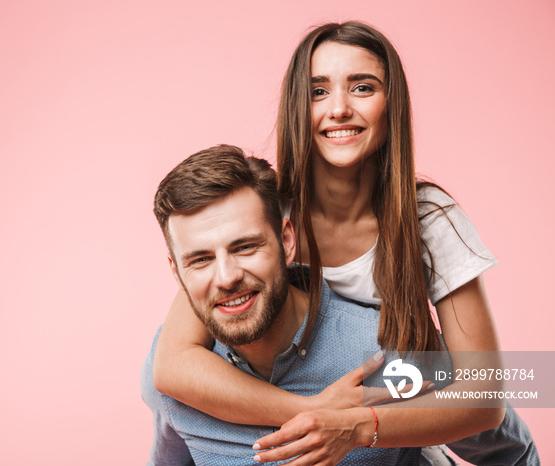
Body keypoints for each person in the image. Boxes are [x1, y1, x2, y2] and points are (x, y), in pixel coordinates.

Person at [152, 22, 538, 465]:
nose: (338, 109)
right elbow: (171, 364)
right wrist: (317, 411)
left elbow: (485, 394)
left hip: (407, 385)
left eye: (362, 87)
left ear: (391, 105)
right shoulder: (269, 211)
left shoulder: (427, 217)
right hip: (326, 383)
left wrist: (360, 423)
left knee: (514, 392)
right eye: (318, 91)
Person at [143, 145, 433, 464]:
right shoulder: (169, 371)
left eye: (245, 247)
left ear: (286, 242)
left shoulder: (386, 346)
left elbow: (489, 417)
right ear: (177, 272)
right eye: (200, 259)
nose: (226, 278)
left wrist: (369, 426)